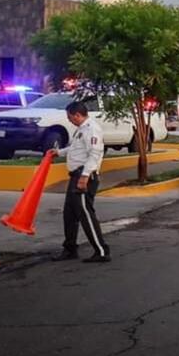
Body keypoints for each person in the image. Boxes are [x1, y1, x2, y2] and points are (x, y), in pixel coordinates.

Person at [50, 101, 110, 263]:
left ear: (77, 114)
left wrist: (84, 176)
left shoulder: (92, 129)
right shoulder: (82, 129)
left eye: (70, 117)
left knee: (85, 214)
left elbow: (94, 153)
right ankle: (70, 249)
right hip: (76, 176)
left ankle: (101, 250)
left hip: (84, 176)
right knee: (69, 214)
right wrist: (59, 152)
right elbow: (76, 148)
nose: (69, 120)